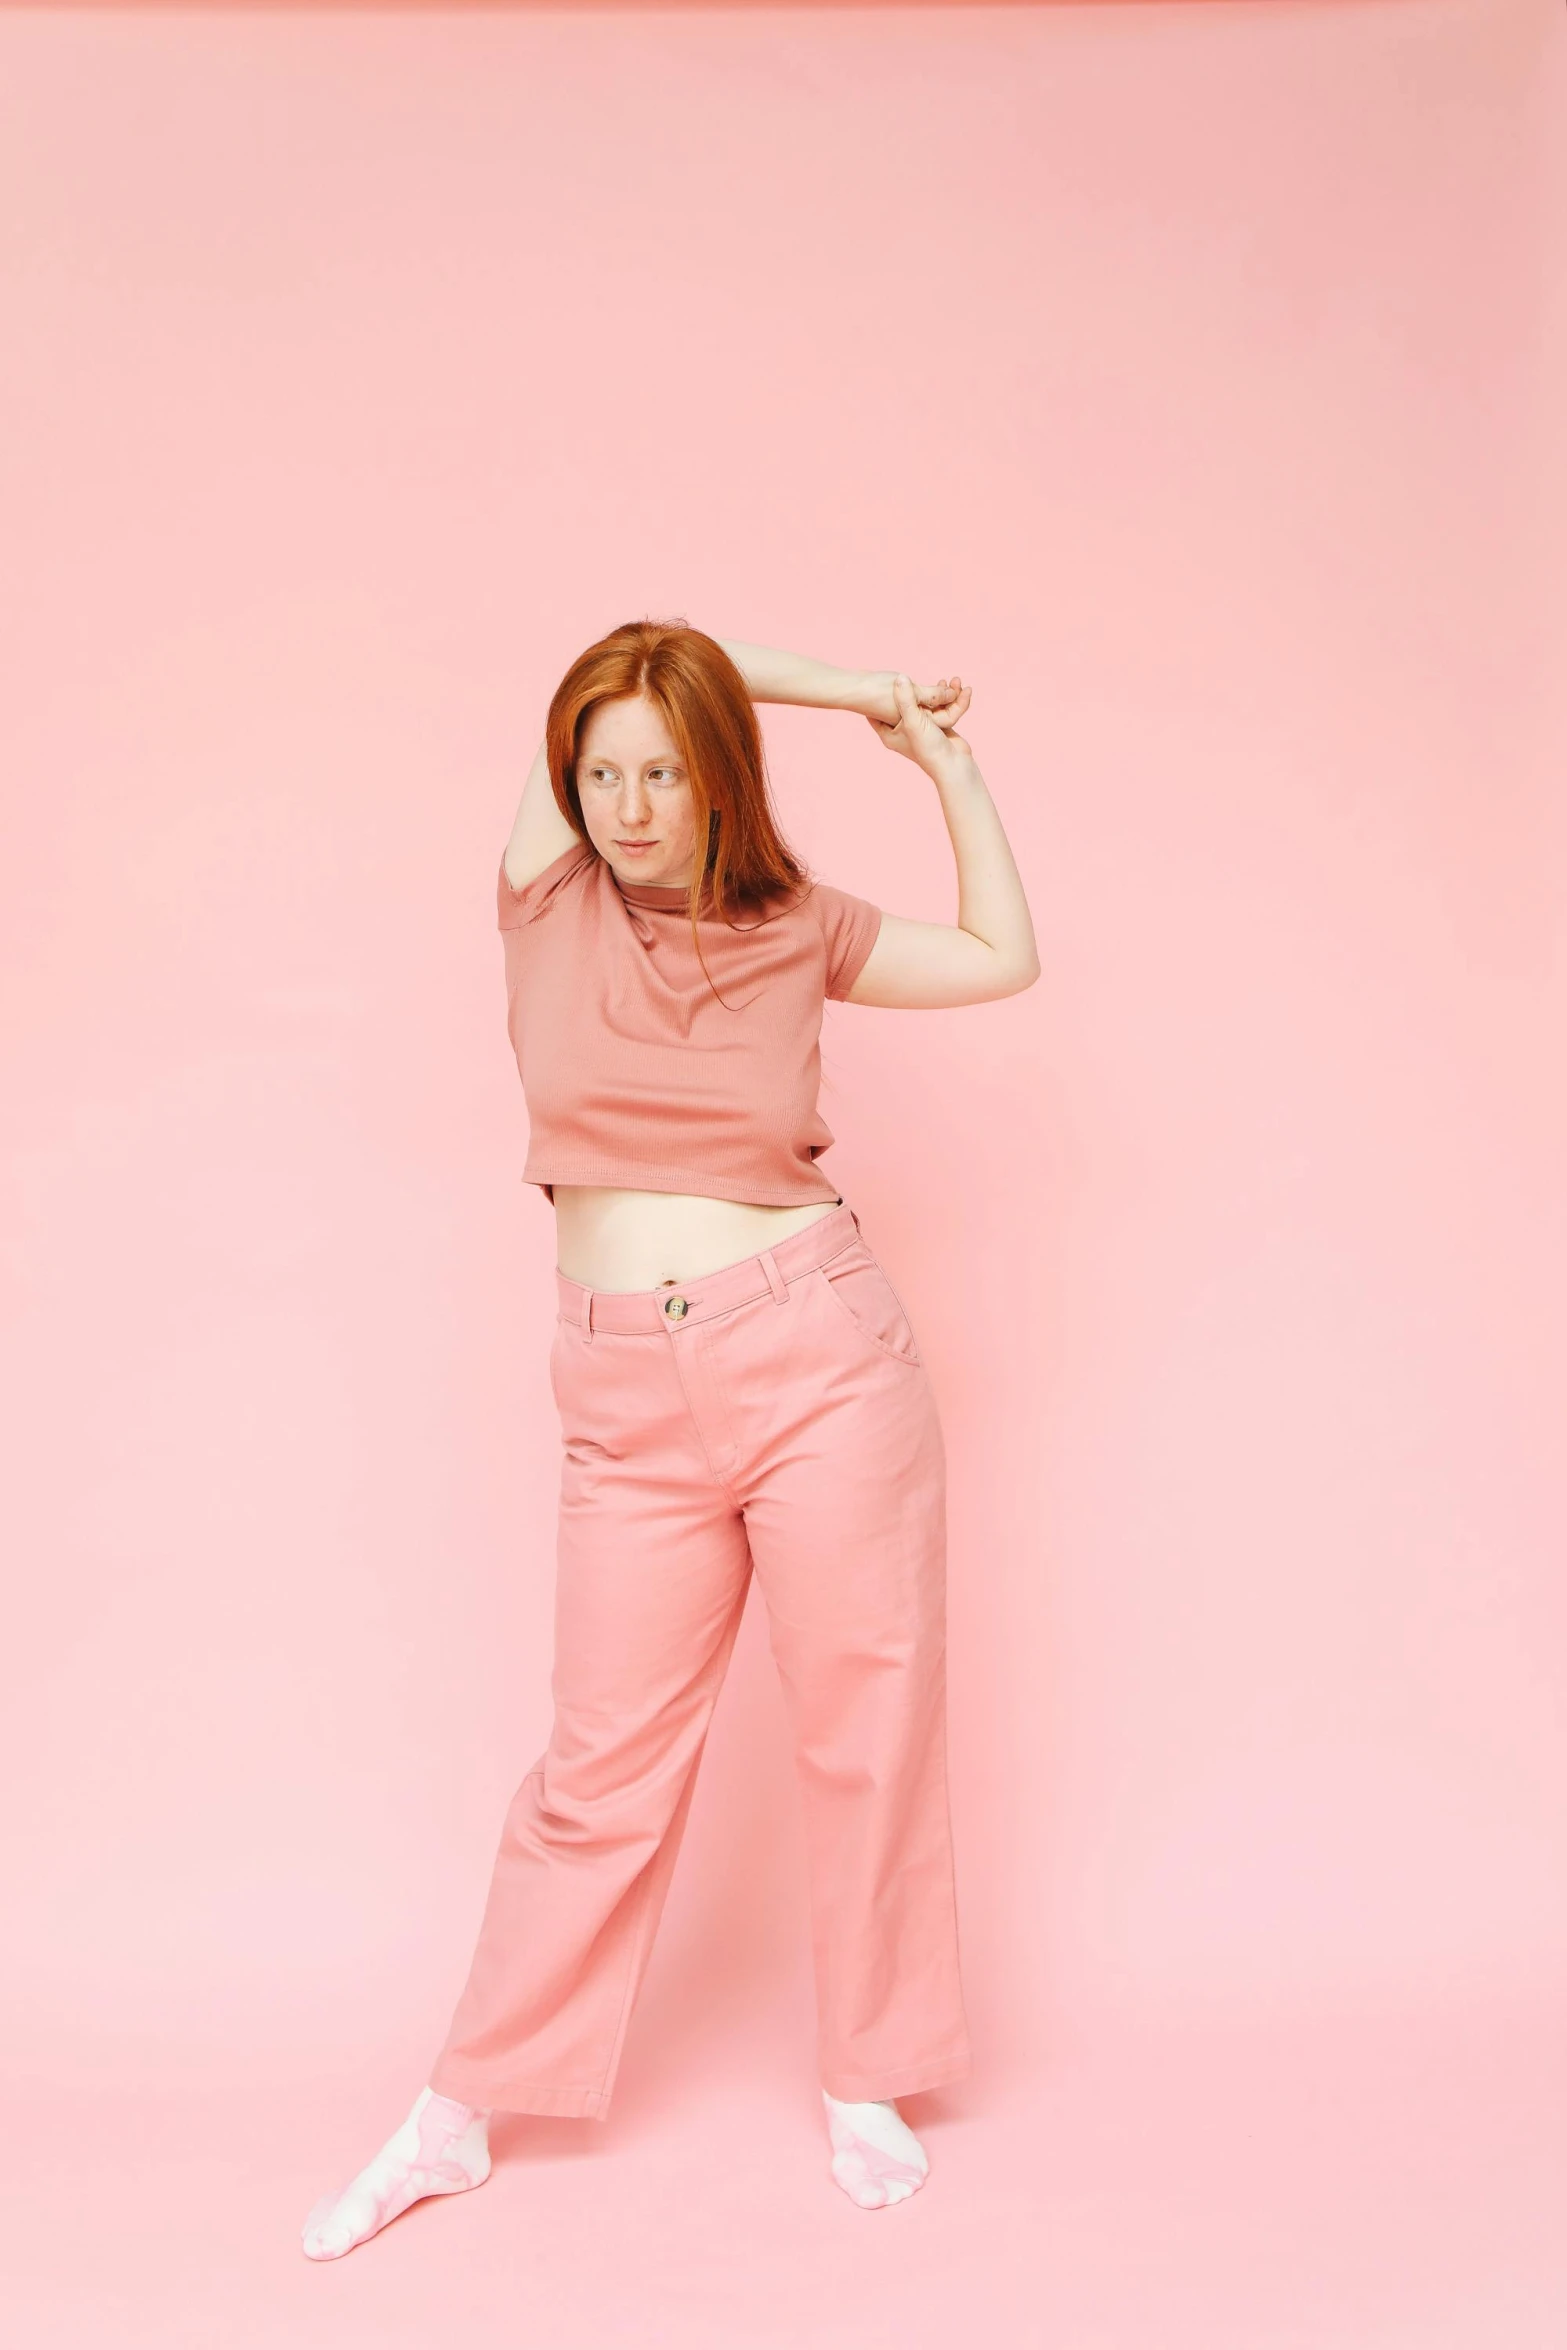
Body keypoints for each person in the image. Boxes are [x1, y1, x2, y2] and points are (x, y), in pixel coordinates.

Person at [302, 622, 1039, 2259]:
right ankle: (456, 2110)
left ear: (714, 775)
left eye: (659, 769)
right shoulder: (543, 894)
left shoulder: (795, 926)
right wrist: (841, 683)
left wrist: (935, 756)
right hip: (621, 1396)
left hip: (820, 1355)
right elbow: (633, 631)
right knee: (598, 1771)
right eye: (602, 771)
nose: (627, 801)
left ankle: (868, 2070)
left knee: (867, 1721)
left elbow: (1002, 953)